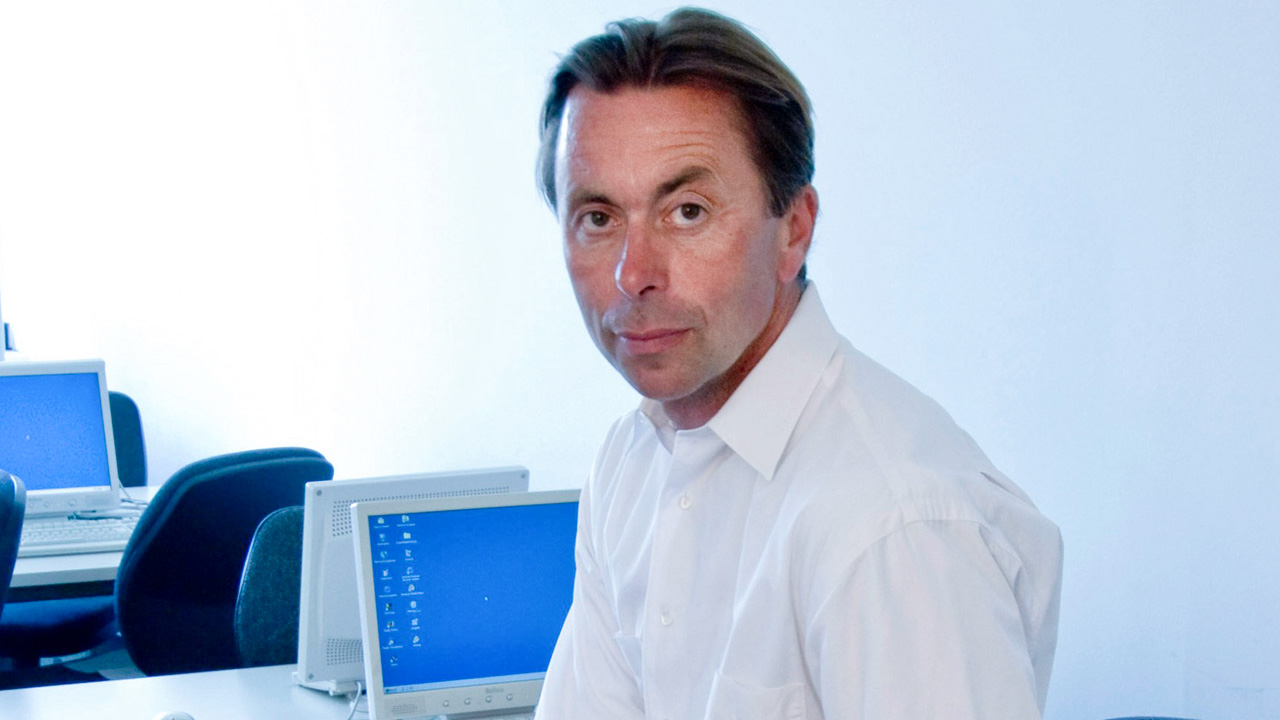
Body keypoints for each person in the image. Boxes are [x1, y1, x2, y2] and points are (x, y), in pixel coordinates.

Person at [534, 7, 1063, 719]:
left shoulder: (890, 523)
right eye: (598, 219)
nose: (635, 274)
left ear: (794, 230)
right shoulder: (630, 463)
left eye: (687, 211)